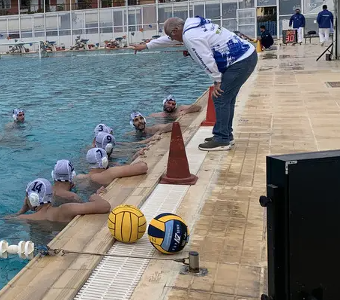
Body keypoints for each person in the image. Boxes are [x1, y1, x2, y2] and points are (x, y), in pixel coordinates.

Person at [132, 16, 258, 150]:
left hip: (240, 61)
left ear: (176, 30)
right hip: (245, 55)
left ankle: (222, 139)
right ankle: (225, 135)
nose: (173, 40)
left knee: (220, 97)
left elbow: (206, 59)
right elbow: (169, 39)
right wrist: (146, 46)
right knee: (227, 98)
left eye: (172, 36)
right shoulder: (192, 26)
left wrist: (217, 80)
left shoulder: (190, 36)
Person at [15, 178, 112, 222]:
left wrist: (22, 210)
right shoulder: (65, 210)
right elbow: (105, 206)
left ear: (33, 199)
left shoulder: (24, 218)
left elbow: (8, 220)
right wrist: (96, 197)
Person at [81, 147, 149, 188]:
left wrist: (135, 157)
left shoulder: (81, 177)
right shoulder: (109, 173)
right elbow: (143, 167)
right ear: (105, 161)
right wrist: (140, 162)